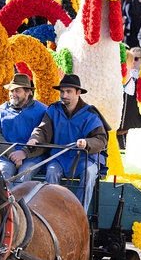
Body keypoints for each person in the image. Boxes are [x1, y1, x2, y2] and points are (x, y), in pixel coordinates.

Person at [27, 74, 108, 211]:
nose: (64, 95)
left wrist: (86, 143)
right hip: (59, 157)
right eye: (62, 91)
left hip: (85, 158)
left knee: (88, 174)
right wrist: (34, 138)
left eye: (68, 91)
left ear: (78, 92)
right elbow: (42, 129)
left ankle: (80, 215)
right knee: (51, 172)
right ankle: (54, 214)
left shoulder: (90, 114)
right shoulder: (53, 110)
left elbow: (101, 139)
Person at [0, 74, 47, 185]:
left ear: (28, 92)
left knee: (23, 177)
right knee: (2, 177)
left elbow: (45, 136)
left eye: (17, 91)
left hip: (32, 157)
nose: (13, 94)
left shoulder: (43, 110)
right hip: (6, 157)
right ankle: (7, 202)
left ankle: (18, 203)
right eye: (11, 91)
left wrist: (24, 153)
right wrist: (13, 155)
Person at [118, 47, 141, 148]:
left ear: (131, 65)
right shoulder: (109, 87)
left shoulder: (139, 87)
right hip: (112, 141)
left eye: (125, 64)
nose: (121, 67)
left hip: (134, 141)